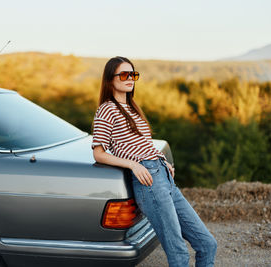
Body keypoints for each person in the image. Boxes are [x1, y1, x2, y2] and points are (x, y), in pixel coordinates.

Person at [91, 56, 217, 267]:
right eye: (124, 74)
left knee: (207, 243)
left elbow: (141, 144)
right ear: (110, 80)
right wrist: (133, 165)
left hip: (163, 177)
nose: (130, 79)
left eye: (133, 74)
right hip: (149, 183)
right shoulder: (106, 109)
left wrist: (162, 161)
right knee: (179, 254)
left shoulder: (132, 108)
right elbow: (99, 153)